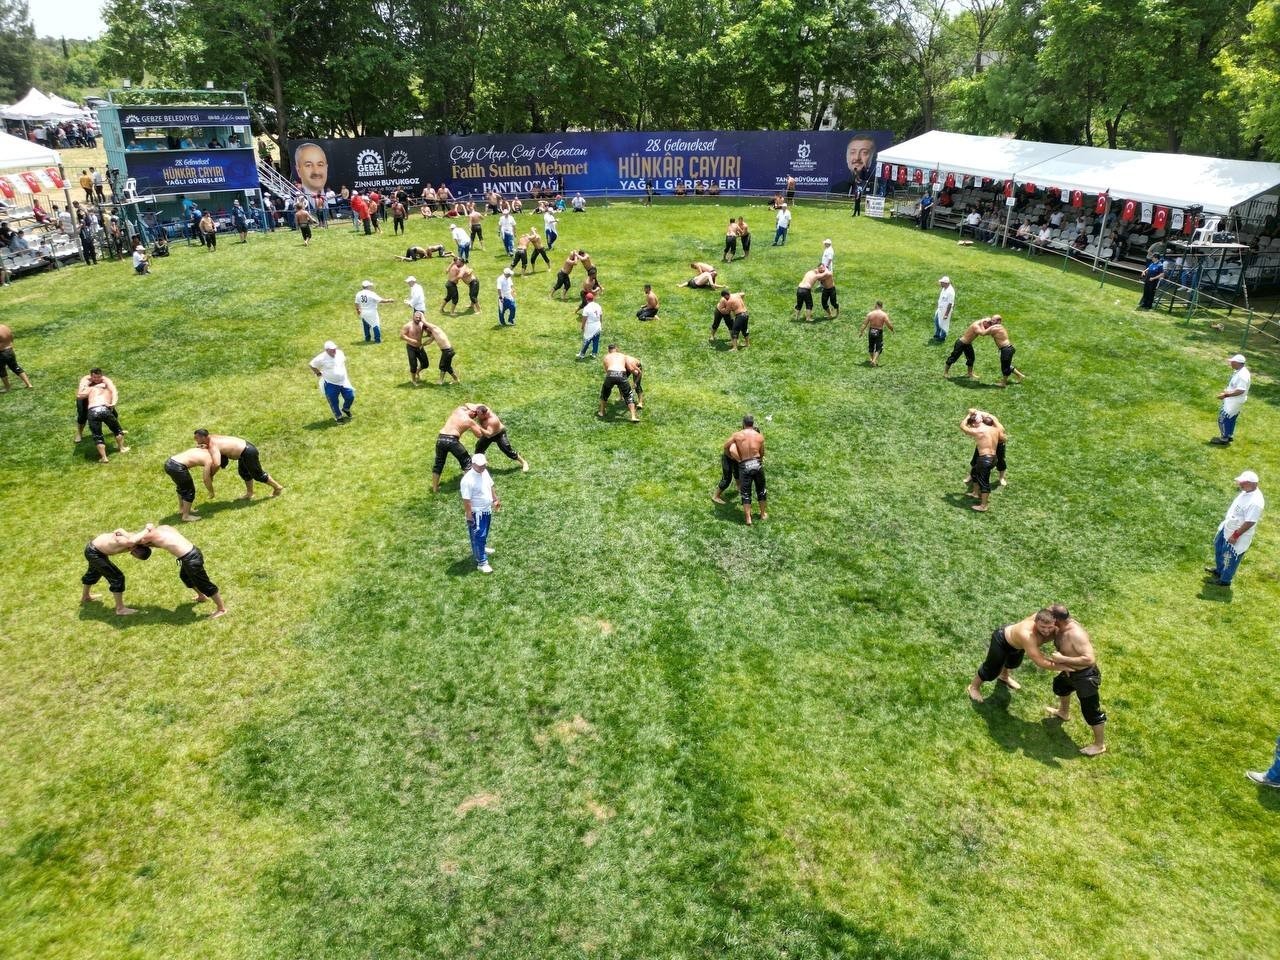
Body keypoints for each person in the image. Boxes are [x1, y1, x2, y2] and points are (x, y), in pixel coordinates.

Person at [967, 607, 1076, 703]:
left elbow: (1056, 611)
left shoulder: (1054, 624)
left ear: (1055, 622)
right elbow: (1040, 661)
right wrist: (1064, 667)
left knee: (1012, 663)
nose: (1046, 631)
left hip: (1017, 645)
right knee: (991, 670)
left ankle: (1004, 676)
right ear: (1035, 622)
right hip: (1002, 641)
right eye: (1042, 627)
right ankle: (974, 687)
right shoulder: (1027, 635)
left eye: (1050, 627)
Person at [1040, 605, 1107, 756]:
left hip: (1085, 677)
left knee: (1091, 711)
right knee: (1060, 687)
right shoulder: (1060, 627)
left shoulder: (1075, 634)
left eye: (1050, 615)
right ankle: (1064, 712)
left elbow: (1089, 659)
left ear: (1056, 619)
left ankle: (1099, 745)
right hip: (1069, 672)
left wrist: (1062, 659)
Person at [133, 523, 227, 618]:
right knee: (185, 576)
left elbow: (132, 541)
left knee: (203, 584)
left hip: (190, 559)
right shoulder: (164, 528)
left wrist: (143, 530)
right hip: (190, 554)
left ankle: (221, 609)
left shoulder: (150, 536)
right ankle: (202, 596)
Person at [1206, 470, 1264, 587]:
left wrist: (1236, 535)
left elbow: (1250, 522)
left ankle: (1225, 580)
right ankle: (1219, 570)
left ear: (1252, 484)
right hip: (1228, 527)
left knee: (1230, 556)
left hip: (1237, 533)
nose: (1240, 485)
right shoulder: (1246, 491)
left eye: (1243, 483)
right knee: (1219, 548)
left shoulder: (1255, 502)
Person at [80, 527, 150, 616]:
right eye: (136, 555)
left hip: (95, 550)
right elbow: (127, 538)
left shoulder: (134, 539)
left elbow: (120, 530)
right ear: (136, 550)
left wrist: (121, 531)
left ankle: (85, 597)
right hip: (94, 553)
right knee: (117, 578)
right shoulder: (128, 542)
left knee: (94, 572)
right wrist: (148, 528)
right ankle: (120, 609)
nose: (132, 555)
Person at [195, 429, 284, 498]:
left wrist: (211, 474)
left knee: (258, 475)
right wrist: (205, 446)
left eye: (197, 438)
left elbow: (217, 463)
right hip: (245, 449)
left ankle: (277, 487)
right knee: (244, 473)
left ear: (203, 437)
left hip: (247, 452)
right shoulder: (212, 437)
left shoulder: (212, 445)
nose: (195, 440)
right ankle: (250, 493)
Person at [719, 415, 767, 524]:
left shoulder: (737, 435)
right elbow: (762, 452)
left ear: (743, 424)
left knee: (746, 493)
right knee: (761, 490)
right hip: (757, 464)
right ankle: (763, 514)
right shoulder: (759, 436)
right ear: (753, 424)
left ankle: (748, 518)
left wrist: (731, 457)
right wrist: (759, 461)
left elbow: (726, 446)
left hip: (745, 465)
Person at [432, 404, 486, 492]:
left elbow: (466, 404)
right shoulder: (470, 421)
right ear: (472, 412)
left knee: (438, 463)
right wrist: (477, 425)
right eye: (475, 414)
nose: (475, 416)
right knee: (467, 461)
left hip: (440, 438)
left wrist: (474, 407)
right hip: (452, 441)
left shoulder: (458, 410)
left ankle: (435, 488)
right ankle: (470, 487)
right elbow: (479, 435)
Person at [460, 453, 500, 573]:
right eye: (480, 466)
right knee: (479, 536)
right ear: (473, 464)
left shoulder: (484, 472)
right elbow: (466, 500)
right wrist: (469, 514)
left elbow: (490, 485)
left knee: (483, 533)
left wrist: (495, 499)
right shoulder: (467, 480)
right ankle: (482, 562)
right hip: (477, 513)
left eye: (484, 465)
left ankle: (481, 548)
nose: (482, 467)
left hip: (486, 509)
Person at [79, 370, 129, 462]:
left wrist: (85, 387)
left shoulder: (91, 389)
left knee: (97, 436)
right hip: (104, 409)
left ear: (101, 377)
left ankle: (104, 457)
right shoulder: (108, 390)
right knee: (117, 430)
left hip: (92, 411)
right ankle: (122, 448)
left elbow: (79, 396)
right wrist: (113, 403)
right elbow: (114, 392)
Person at [959, 408, 1000, 511]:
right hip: (994, 458)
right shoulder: (994, 428)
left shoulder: (978, 431)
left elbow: (962, 426)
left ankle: (983, 506)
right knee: (974, 472)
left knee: (983, 482)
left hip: (985, 459)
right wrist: (979, 412)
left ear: (973, 424)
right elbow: (994, 418)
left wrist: (969, 414)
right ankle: (975, 493)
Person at [163, 445, 216, 521]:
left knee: (182, 487)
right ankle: (186, 516)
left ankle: (182, 509)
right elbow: (206, 479)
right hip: (177, 467)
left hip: (169, 462)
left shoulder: (203, 449)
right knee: (189, 490)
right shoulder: (209, 460)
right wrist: (211, 492)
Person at [309, 340, 355, 422]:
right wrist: (318, 373)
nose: (334, 350)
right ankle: (339, 417)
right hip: (331, 383)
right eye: (332, 349)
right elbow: (312, 365)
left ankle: (346, 408)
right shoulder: (321, 358)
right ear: (326, 350)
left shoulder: (340, 353)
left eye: (335, 348)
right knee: (333, 401)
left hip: (344, 381)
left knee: (350, 396)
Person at [474, 406, 530, 472]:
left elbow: (489, 434)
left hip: (498, 434)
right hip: (488, 433)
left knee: (507, 450)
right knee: (479, 448)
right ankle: (480, 464)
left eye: (479, 414)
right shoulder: (480, 410)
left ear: (485, 414)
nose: (477, 415)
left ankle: (524, 462)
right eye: (477, 413)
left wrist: (477, 426)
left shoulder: (492, 420)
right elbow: (468, 405)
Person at [1211, 354, 1251, 445]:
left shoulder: (1242, 375)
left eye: (1232, 362)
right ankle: (1229, 435)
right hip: (1234, 400)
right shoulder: (1239, 371)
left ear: (1237, 363)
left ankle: (1224, 439)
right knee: (1231, 418)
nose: (1231, 363)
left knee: (1223, 418)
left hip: (1234, 400)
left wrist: (1225, 395)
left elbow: (1240, 390)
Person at [963, 411, 1008, 488]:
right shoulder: (983, 426)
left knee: (1000, 461)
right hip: (984, 445)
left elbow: (1003, 435)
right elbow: (973, 410)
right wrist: (977, 412)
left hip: (998, 445)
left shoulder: (997, 426)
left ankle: (1001, 478)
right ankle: (971, 476)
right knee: (975, 460)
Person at [599, 344, 640, 422]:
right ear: (617, 349)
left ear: (608, 350)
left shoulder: (606, 357)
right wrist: (636, 372)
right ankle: (633, 417)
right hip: (621, 374)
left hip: (610, 374)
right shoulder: (622, 355)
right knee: (628, 395)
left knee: (605, 393)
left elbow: (606, 370)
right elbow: (630, 368)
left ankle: (601, 412)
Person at [421, 318, 460, 385]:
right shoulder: (434, 334)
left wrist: (420, 315)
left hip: (447, 351)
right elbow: (429, 341)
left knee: (443, 366)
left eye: (426, 331)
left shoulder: (435, 329)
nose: (427, 333)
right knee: (446, 366)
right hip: (447, 351)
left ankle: (446, 380)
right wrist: (422, 345)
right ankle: (452, 380)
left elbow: (425, 323)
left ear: (428, 329)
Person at [858, 301, 894, 366]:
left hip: (871, 330)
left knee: (871, 346)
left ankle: (872, 360)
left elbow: (864, 324)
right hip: (879, 331)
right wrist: (892, 329)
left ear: (876, 305)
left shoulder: (870, 314)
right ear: (881, 306)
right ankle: (874, 361)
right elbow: (888, 323)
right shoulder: (883, 314)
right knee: (879, 347)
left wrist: (861, 332)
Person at [401, 312, 431, 385]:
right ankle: (414, 380)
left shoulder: (422, 324)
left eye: (419, 318)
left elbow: (429, 333)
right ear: (413, 317)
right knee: (413, 365)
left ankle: (417, 371)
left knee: (425, 364)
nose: (418, 319)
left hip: (419, 347)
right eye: (416, 317)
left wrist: (428, 331)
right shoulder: (408, 326)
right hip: (411, 347)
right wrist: (411, 340)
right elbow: (402, 335)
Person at [0, 323, 33, 390]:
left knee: (1, 370)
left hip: (1, 353)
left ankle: (7, 387)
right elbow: (11, 338)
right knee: (16, 367)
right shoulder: (4, 327)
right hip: (10, 350)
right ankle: (29, 384)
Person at [578, 291, 603, 359]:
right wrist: (600, 324)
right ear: (593, 298)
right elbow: (601, 316)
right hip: (597, 324)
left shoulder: (586, 308)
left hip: (590, 326)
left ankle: (582, 354)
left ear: (586, 299)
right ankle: (594, 353)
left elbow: (584, 319)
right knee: (596, 340)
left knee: (587, 339)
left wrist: (582, 327)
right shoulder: (598, 306)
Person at [933, 276, 956, 342]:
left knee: (944, 324)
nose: (940, 284)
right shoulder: (944, 288)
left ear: (946, 283)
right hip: (940, 309)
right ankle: (937, 334)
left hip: (945, 310)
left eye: (942, 282)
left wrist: (946, 314)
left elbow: (950, 304)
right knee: (936, 321)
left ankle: (942, 337)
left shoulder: (951, 292)